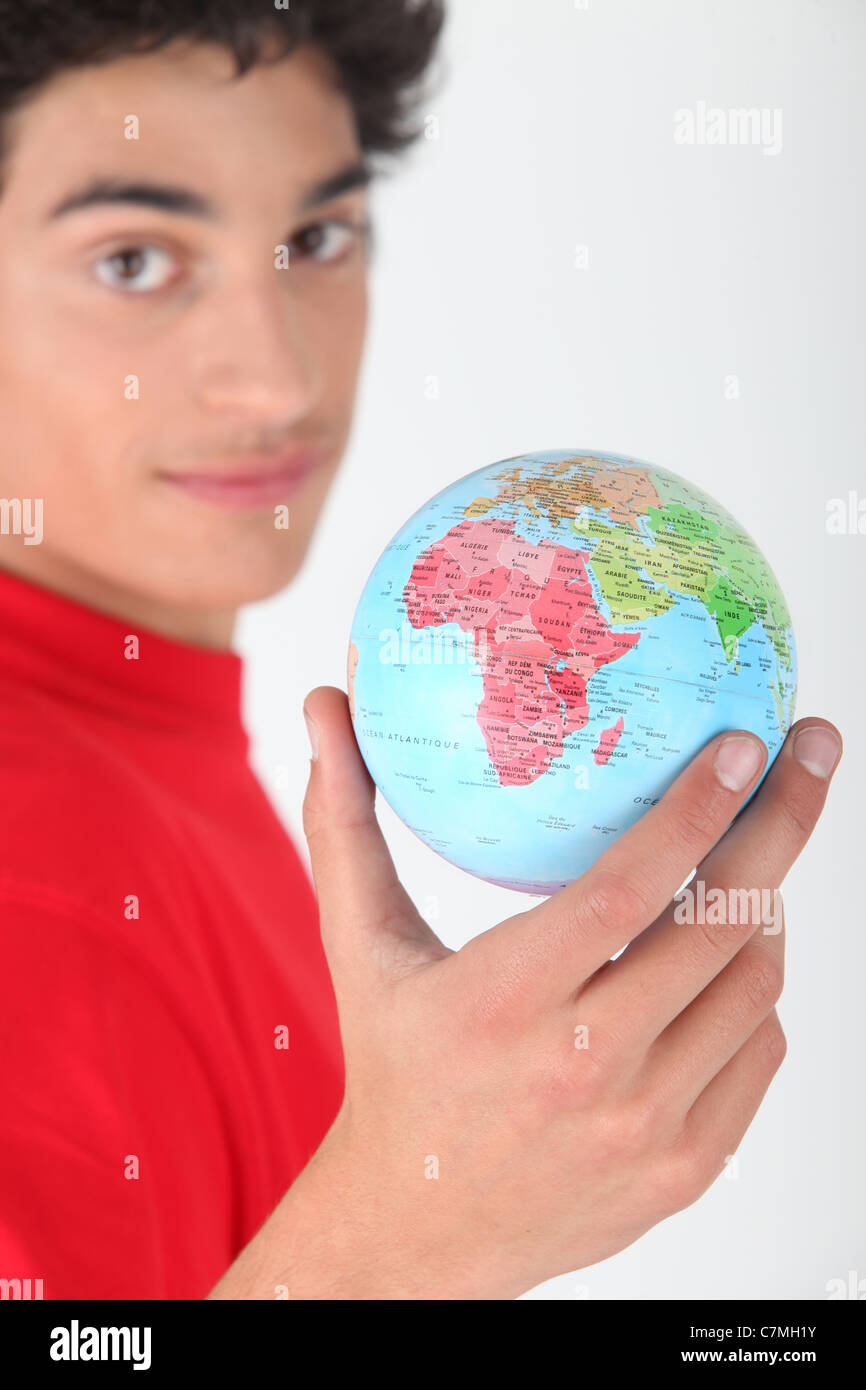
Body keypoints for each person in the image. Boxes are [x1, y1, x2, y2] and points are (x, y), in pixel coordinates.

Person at [0, 0, 842, 1302]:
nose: (277, 379)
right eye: (133, 260)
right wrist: (403, 1242)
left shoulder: (145, 752)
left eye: (316, 237)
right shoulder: (33, 881)